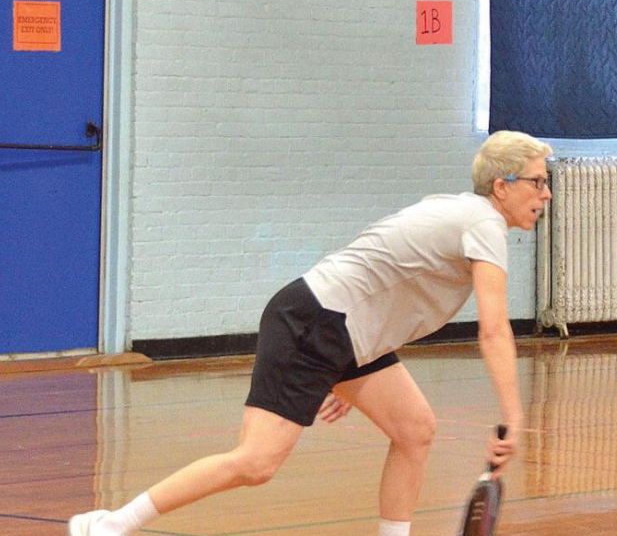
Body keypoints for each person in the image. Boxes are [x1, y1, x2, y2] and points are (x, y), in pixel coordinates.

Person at [68, 131, 554, 536]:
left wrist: (349, 364)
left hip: (342, 332)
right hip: (315, 321)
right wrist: (512, 414)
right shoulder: (483, 223)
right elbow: (493, 330)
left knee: (414, 430)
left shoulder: (461, 213)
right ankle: (110, 524)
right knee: (255, 463)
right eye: (537, 182)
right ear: (501, 185)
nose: (545, 194)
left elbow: (389, 283)